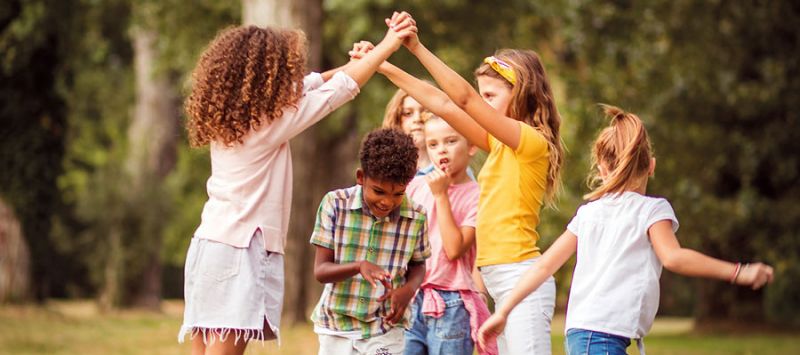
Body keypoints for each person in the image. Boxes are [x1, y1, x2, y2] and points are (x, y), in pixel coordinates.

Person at [178, 16, 418, 355]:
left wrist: (362, 61)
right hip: (241, 247)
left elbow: (315, 83)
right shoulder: (267, 123)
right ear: (266, 78)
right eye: (283, 73)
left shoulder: (236, 119)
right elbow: (338, 92)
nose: (291, 78)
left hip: (211, 245)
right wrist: (389, 44)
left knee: (203, 348)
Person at [477, 105, 775, 355]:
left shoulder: (588, 213)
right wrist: (738, 271)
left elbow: (543, 266)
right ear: (652, 166)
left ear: (602, 169)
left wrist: (505, 310)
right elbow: (674, 258)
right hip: (600, 337)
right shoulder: (651, 210)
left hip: (582, 334)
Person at [353, 11, 566, 353]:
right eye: (483, 95)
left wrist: (418, 48)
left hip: (520, 278)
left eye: (491, 96)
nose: (482, 103)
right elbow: (442, 104)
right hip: (503, 282)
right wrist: (381, 64)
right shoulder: (500, 143)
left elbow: (463, 99)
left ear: (521, 93)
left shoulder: (530, 141)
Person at [311, 128, 430, 355]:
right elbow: (321, 271)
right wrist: (358, 266)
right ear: (360, 177)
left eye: (398, 194)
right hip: (336, 327)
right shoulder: (334, 205)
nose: (387, 202)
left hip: (384, 327)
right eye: (379, 191)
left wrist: (408, 290)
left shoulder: (416, 217)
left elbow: (418, 265)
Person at [402, 113, 498, 355]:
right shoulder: (414, 188)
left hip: (452, 304)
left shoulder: (477, 196)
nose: (441, 151)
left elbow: (454, 249)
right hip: (411, 298)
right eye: (433, 144)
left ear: (472, 146)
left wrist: (441, 196)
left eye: (451, 141)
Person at [381, 88, 433, 175]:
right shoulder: (387, 170)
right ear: (397, 120)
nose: (417, 119)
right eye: (408, 113)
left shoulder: (455, 169)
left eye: (425, 111)